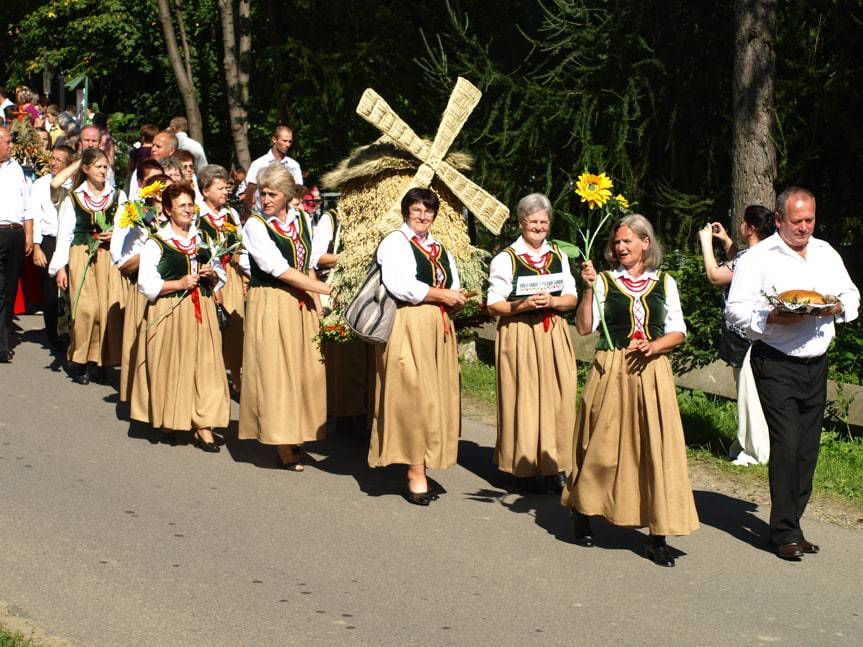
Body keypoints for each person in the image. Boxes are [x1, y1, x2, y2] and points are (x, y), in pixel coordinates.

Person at [725, 187, 859, 560]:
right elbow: (735, 311)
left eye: (810, 220)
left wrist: (837, 308)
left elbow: (850, 294)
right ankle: (785, 532)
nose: (804, 228)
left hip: (816, 362)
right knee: (786, 445)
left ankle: (792, 524)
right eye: (797, 221)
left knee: (808, 449)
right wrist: (770, 316)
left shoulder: (825, 252)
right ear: (779, 219)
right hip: (776, 361)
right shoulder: (758, 258)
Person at [562, 214, 698, 567]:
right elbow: (584, 327)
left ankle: (657, 536)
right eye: (617, 242)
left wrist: (655, 346)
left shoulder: (665, 282)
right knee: (601, 446)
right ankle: (584, 509)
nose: (621, 248)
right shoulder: (605, 281)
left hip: (653, 372)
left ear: (645, 244)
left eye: (628, 242)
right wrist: (589, 288)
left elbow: (678, 331)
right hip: (612, 369)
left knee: (655, 449)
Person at [368, 188, 467, 505]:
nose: (423, 216)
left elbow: (451, 283)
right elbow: (401, 285)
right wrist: (442, 295)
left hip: (438, 327)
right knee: (413, 398)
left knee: (436, 397)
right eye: (417, 211)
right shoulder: (395, 243)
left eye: (429, 211)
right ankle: (414, 470)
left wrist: (456, 297)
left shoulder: (440, 248)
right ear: (406, 212)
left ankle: (424, 458)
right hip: (407, 324)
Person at [238, 164, 332, 469]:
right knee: (277, 371)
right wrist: (325, 289)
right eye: (263, 194)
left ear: (288, 195)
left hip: (301, 302)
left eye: (272, 194)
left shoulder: (302, 220)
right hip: (272, 301)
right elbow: (278, 269)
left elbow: (307, 266)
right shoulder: (255, 226)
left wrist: (318, 305)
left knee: (304, 370)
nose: (265, 200)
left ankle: (297, 429)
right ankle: (281, 441)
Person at [486, 193, 578, 494]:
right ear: (521, 222)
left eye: (543, 221)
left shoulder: (558, 256)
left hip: (553, 332)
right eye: (532, 221)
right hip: (520, 332)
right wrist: (522, 306)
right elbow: (493, 304)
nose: (538, 226)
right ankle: (523, 468)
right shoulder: (506, 258)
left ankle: (554, 466)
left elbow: (571, 297)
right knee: (523, 397)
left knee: (556, 397)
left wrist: (552, 300)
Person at [130, 183, 228, 452]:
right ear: (168, 210)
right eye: (182, 205)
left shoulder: (203, 239)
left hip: (202, 309)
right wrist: (179, 283)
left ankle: (203, 424)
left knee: (205, 365)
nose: (187, 209)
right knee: (173, 365)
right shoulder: (157, 242)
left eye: (190, 204)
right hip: (170, 309)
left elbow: (221, 276)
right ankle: (170, 418)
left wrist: (213, 276)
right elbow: (146, 284)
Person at [698, 207, 774, 465]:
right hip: (758, 335)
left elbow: (715, 275)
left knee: (748, 394)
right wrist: (726, 240)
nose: (741, 225)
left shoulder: (749, 259)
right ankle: (751, 445)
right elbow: (737, 258)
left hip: (746, 338)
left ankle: (755, 452)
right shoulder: (764, 253)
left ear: (751, 228)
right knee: (752, 393)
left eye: (743, 223)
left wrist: (706, 243)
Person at [49, 148, 127, 384]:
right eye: (98, 166)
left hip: (107, 258)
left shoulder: (118, 196)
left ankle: (98, 361)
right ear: (86, 169)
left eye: (106, 167)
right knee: (85, 310)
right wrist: (60, 267)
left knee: (105, 310)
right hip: (81, 255)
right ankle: (80, 358)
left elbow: (127, 230)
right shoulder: (74, 198)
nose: (103, 171)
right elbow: (64, 235)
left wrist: (115, 235)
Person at [112, 173, 173, 403]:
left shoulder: (179, 220)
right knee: (143, 346)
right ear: (156, 193)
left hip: (172, 289)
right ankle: (141, 398)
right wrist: (152, 248)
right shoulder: (135, 215)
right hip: (144, 289)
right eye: (167, 189)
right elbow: (121, 261)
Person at [197, 164, 246, 393]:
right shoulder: (197, 214)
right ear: (205, 190)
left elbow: (240, 246)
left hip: (232, 275)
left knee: (235, 327)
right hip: (207, 279)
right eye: (219, 188)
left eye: (227, 187)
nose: (226, 192)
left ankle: (236, 375)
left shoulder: (231, 214)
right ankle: (210, 379)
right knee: (211, 330)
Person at [30, 144, 74, 351]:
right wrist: (36, 246)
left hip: (71, 242)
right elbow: (35, 216)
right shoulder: (40, 184)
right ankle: (54, 336)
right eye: (53, 158)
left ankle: (70, 333)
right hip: (49, 241)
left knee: (70, 290)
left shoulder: (76, 185)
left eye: (59, 160)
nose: (54, 163)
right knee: (50, 294)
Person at [0, 126, 33, 363]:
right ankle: (2, 346)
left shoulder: (16, 169)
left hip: (15, 233)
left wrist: (29, 234)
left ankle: (5, 330)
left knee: (10, 288)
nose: (11, 146)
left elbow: (27, 204)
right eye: (7, 142)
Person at [243, 125, 302, 217]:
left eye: (290, 141)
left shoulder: (294, 165)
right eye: (284, 141)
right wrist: (247, 215)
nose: (288, 145)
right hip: (263, 216)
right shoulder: (259, 164)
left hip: (287, 215)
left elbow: (298, 191)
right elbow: (250, 192)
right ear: (274, 140)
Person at [128, 131, 177, 201]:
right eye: (153, 145)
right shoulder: (142, 169)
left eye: (158, 147)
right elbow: (134, 199)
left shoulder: (182, 171)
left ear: (171, 151)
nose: (153, 149)